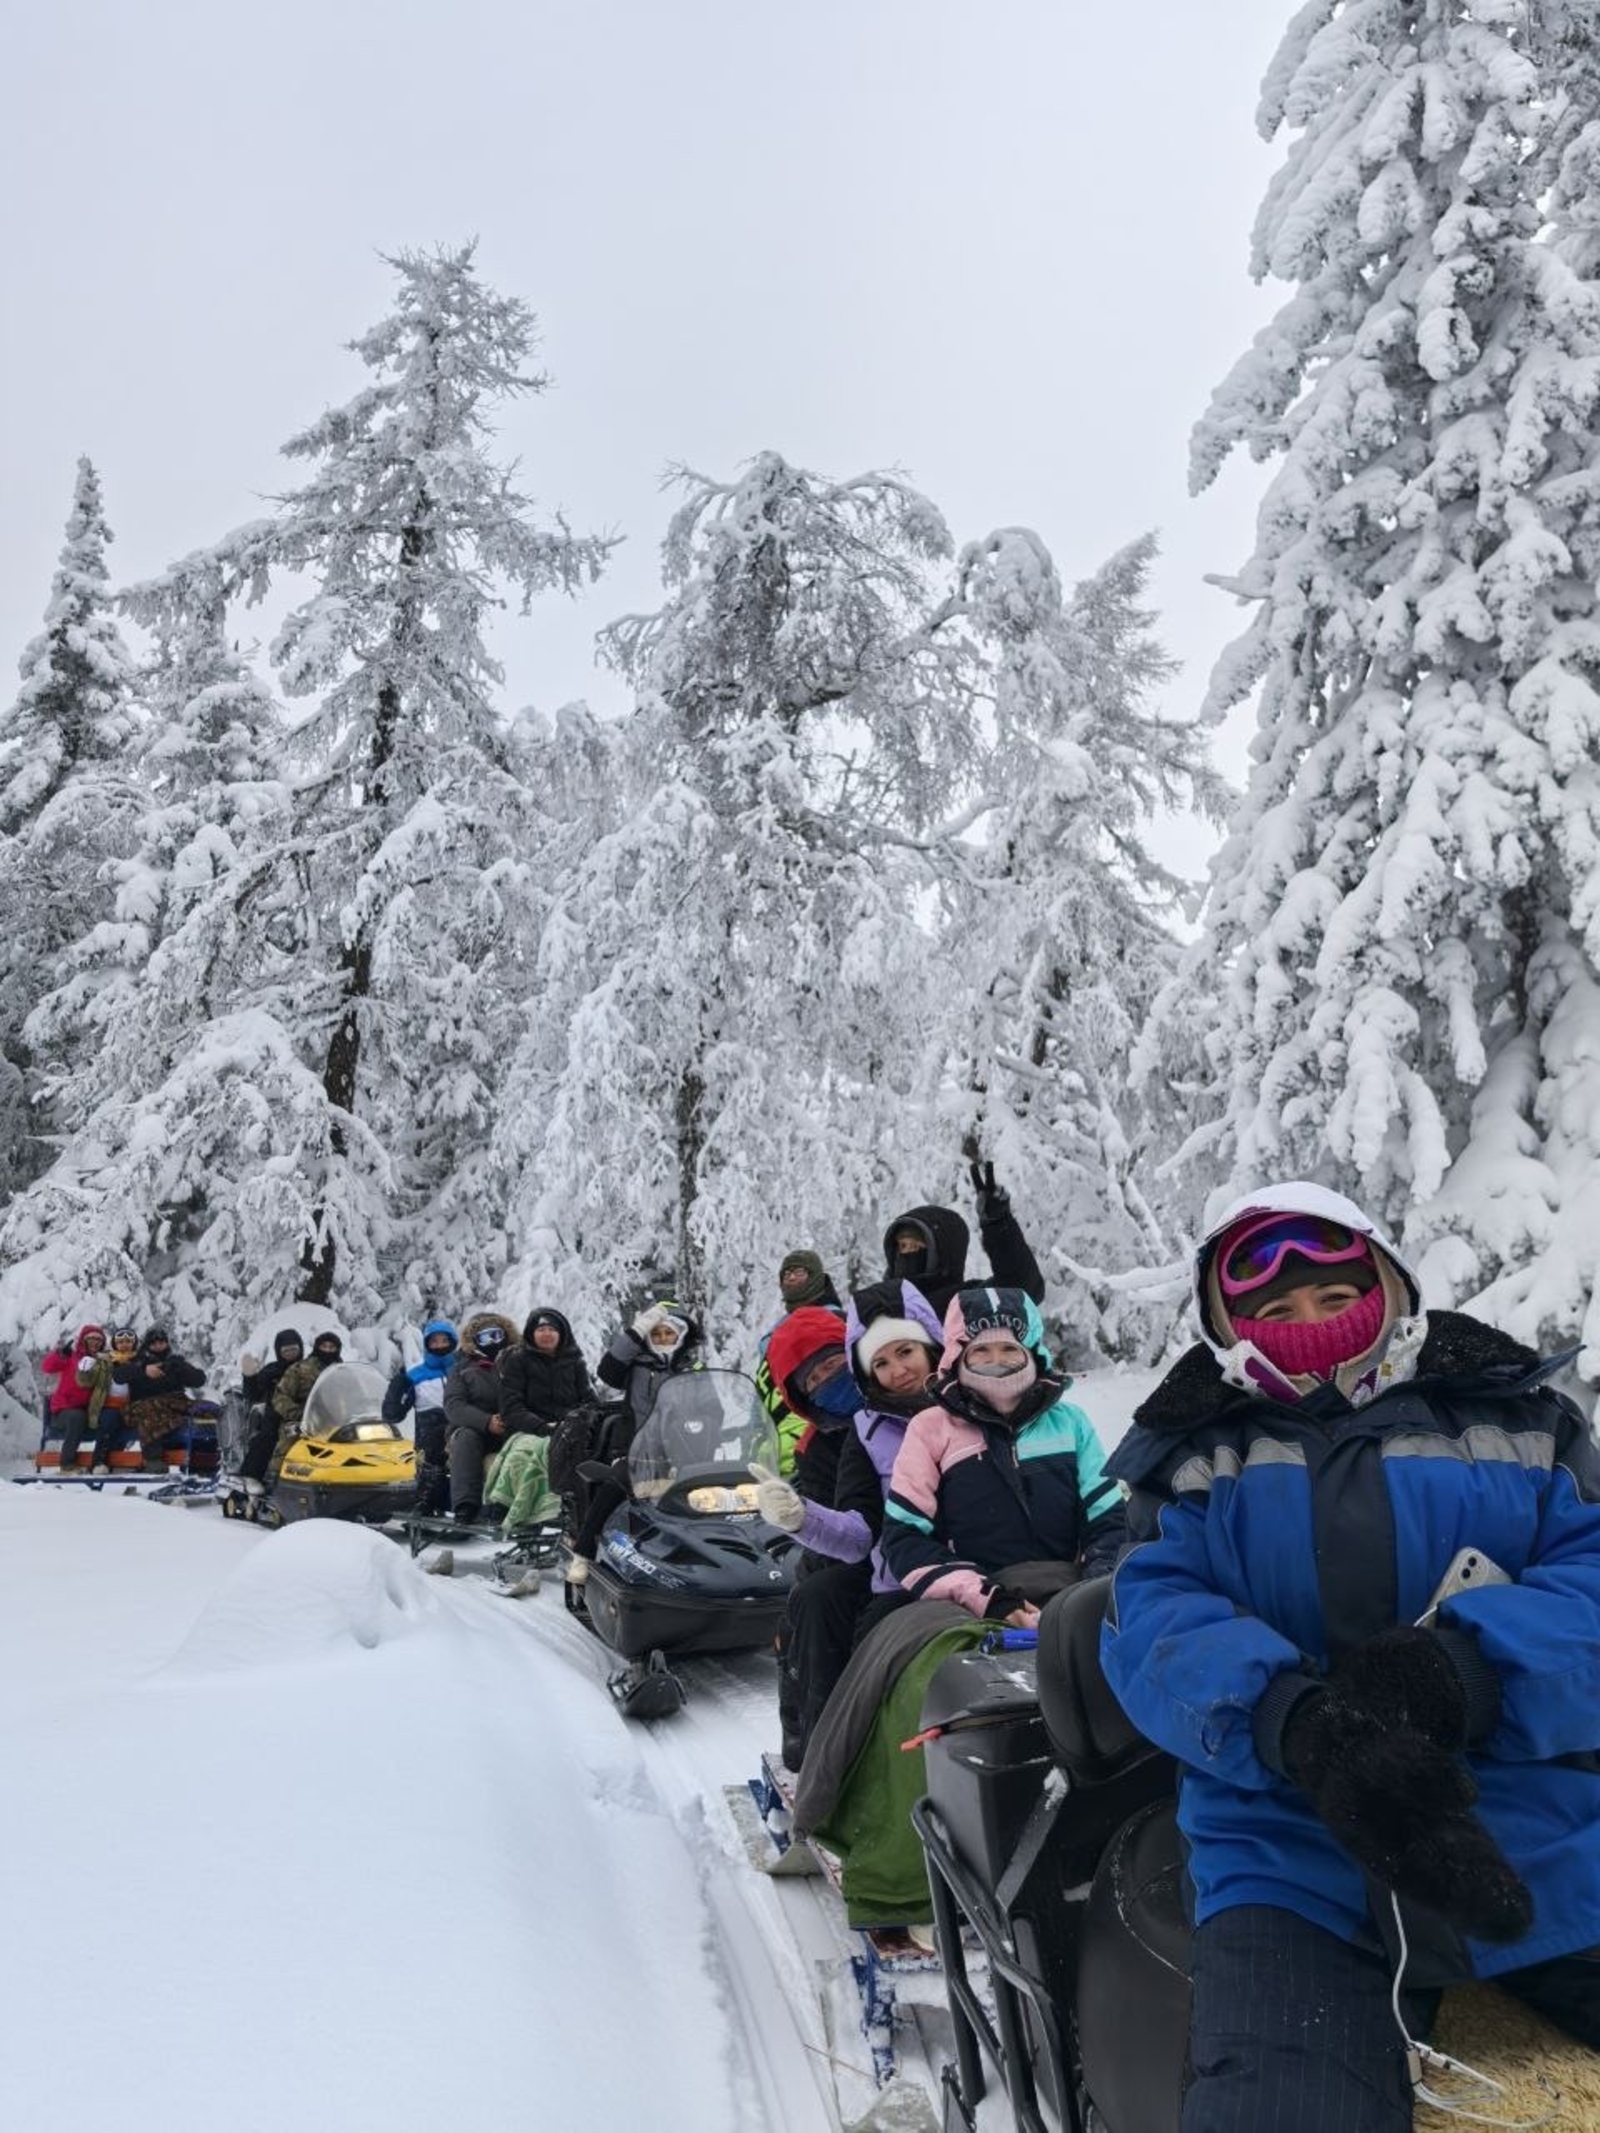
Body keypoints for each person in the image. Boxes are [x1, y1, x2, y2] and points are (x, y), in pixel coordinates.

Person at [1100, 1183, 1600, 2133]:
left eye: (1336, 1299)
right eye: (1276, 1312)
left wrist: (1467, 1674)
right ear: (1226, 1325)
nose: (1313, 1330)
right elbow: (1150, 1615)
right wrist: (1293, 1720)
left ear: (1389, 1287)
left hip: (1540, 1829)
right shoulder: (1192, 1457)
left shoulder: (1523, 1421)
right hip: (1291, 1853)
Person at [758, 1282, 944, 1767]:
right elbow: (850, 1529)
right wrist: (802, 1517)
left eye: (832, 1362)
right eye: (815, 1377)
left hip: (949, 1557)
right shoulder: (823, 1446)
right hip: (867, 1560)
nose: (829, 1378)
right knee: (816, 1599)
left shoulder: (958, 1406)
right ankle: (820, 1745)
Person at [882, 1285, 1124, 1620]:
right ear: (958, 1355)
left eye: (1009, 1348)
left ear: (1032, 1351)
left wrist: (1094, 1590)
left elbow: (1109, 1520)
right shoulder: (930, 1429)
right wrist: (989, 1598)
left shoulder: (1070, 1424)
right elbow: (904, 1536)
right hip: (968, 1603)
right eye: (981, 1351)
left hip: (1071, 1594)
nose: (996, 1361)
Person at [568, 1302, 702, 1585]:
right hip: (638, 1450)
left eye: (669, 1334)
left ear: (681, 1336)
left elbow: (713, 1410)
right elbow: (607, 1370)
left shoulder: (694, 1369)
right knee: (614, 1487)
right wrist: (638, 1329)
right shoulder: (635, 1367)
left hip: (685, 1455)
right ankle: (583, 1554)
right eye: (657, 1334)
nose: (663, 1339)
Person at [882, 1159, 1044, 1322]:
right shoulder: (878, 1306)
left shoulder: (963, 1305)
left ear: (941, 1255)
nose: (907, 1253)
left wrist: (998, 1224)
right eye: (903, 1246)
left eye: (917, 1246)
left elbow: (1023, 1290)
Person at [755, 1251, 844, 1477]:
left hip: (820, 1442)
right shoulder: (776, 1333)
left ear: (816, 1277)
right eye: (786, 1274)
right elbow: (763, 1389)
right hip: (773, 1448)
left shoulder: (836, 1323)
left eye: (799, 1272)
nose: (792, 1278)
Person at [441, 1312, 520, 1525]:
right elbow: (453, 1405)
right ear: (474, 1340)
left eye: (497, 1335)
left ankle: (513, 1504)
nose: (493, 1342)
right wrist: (486, 1421)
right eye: (486, 1337)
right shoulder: (463, 1368)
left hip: (514, 1425)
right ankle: (466, 1505)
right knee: (467, 1438)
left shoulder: (519, 1361)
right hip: (475, 1428)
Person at [383, 1318, 457, 1515]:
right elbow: (393, 1414)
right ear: (427, 1344)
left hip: (459, 1423)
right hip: (429, 1427)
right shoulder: (416, 1374)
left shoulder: (463, 1369)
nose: (440, 1345)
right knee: (431, 1457)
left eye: (444, 1341)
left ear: (453, 1342)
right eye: (434, 1341)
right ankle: (425, 1503)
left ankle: (463, 1504)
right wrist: (397, 1388)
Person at [123, 1326, 206, 1471]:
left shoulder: (173, 1362)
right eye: (153, 1343)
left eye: (161, 1342)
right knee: (151, 1410)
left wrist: (182, 1368)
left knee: (208, 1409)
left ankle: (207, 1454)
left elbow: (199, 1380)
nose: (158, 1346)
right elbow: (120, 1374)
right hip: (144, 1404)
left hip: (175, 1402)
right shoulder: (138, 1361)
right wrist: (144, 1370)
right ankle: (153, 1458)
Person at [498, 1308, 591, 1435]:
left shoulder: (574, 1360)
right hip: (529, 1431)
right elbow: (511, 1408)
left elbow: (588, 1399)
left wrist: (580, 1421)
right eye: (541, 1330)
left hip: (571, 1428)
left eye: (552, 1329)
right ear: (531, 1334)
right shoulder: (517, 1360)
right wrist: (542, 1428)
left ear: (562, 1334)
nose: (547, 1334)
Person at [236, 1328, 306, 1496]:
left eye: (294, 1350)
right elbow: (252, 1394)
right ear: (278, 1351)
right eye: (286, 1350)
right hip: (276, 1415)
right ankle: (252, 1475)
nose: (290, 1354)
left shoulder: (308, 1368)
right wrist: (249, 1376)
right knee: (268, 1437)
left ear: (300, 1349)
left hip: (307, 1413)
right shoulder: (272, 1371)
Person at [268, 1329, 345, 1479]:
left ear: (337, 1349)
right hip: (304, 1419)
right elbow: (280, 1396)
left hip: (337, 1420)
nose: (328, 1350)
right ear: (317, 1347)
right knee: (289, 1441)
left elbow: (355, 1394)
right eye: (324, 1346)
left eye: (332, 1347)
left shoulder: (343, 1372)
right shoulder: (300, 1369)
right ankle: (275, 1478)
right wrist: (297, 1413)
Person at [40, 1325, 106, 1473]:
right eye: (91, 1339)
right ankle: (67, 1464)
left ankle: (105, 1463)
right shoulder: (71, 1357)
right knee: (77, 1417)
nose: (95, 1342)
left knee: (109, 1417)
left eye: (99, 1340)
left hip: (89, 1412)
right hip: (63, 1412)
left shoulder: (103, 1362)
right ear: (84, 1340)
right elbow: (47, 1367)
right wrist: (60, 1355)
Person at [85, 1328, 143, 1472]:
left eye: (128, 1342)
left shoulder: (140, 1361)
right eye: (121, 1342)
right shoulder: (104, 1360)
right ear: (114, 1344)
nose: (124, 1345)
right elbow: (87, 1380)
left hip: (131, 1406)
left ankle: (121, 1462)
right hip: (108, 1404)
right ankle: (98, 1462)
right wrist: (84, 1370)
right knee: (108, 1422)